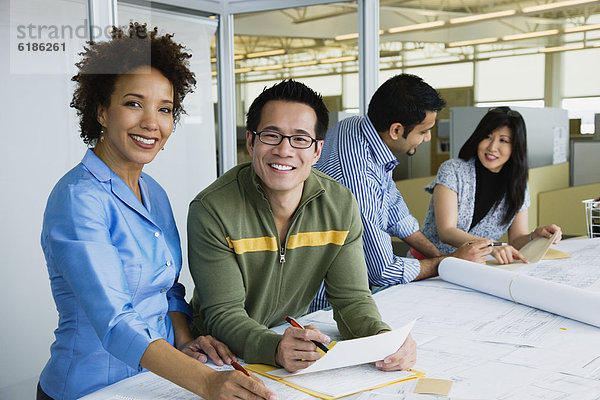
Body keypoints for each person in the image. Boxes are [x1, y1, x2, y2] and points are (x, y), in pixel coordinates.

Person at [38, 23, 274, 400]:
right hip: (90, 390)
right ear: (101, 111)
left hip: (155, 383)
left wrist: (185, 340)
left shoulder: (154, 193)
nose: (152, 122)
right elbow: (115, 321)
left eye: (165, 109)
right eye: (134, 104)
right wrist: (205, 380)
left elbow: (167, 291)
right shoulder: (78, 199)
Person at [188, 79, 417, 373]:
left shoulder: (340, 205)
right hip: (219, 355)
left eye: (300, 139)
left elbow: (352, 299)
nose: (284, 150)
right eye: (271, 135)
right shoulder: (212, 209)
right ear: (250, 142)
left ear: (317, 150)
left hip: (290, 341)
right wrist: (274, 348)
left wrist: (381, 338)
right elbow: (222, 313)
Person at [310, 73, 491, 311]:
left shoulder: (357, 127)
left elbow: (396, 212)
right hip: (323, 304)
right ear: (396, 130)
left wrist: (437, 255)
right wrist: (449, 263)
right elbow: (383, 271)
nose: (427, 139)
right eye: (424, 131)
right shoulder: (359, 177)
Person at [421, 107, 562, 264]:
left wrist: (535, 236)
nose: (492, 147)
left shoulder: (518, 184)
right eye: (487, 137)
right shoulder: (453, 170)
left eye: (503, 140)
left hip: (472, 269)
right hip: (433, 264)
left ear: (515, 146)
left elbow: (516, 239)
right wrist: (493, 246)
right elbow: (447, 232)